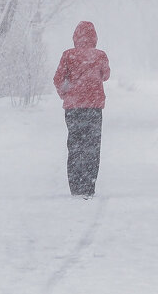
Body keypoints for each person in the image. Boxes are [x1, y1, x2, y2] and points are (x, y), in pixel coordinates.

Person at [53, 21, 110, 197]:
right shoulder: (100, 55)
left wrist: (67, 94)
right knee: (92, 146)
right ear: (94, 37)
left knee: (75, 145)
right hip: (94, 107)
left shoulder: (68, 55)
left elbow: (58, 79)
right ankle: (89, 185)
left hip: (73, 108)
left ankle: (76, 186)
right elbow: (106, 75)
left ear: (75, 37)